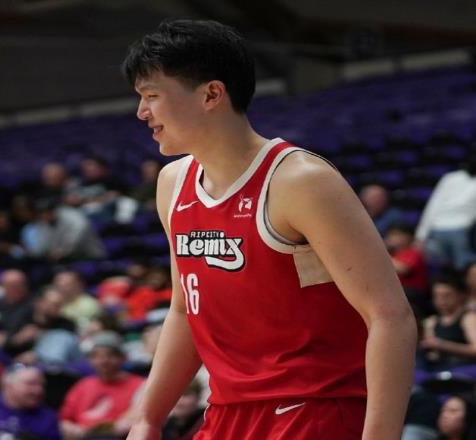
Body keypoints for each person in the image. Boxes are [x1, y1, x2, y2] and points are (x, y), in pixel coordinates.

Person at [122, 19, 416, 440]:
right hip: (226, 413)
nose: (141, 112)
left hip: (314, 409)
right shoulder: (173, 183)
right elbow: (185, 311)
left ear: (211, 94)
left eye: (152, 96)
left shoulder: (301, 181)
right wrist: (148, 419)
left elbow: (390, 316)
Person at [59, 331, 144, 439]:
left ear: (123, 358)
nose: (103, 361)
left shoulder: (140, 385)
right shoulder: (83, 385)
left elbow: (136, 420)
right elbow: (65, 419)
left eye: (110, 355)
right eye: (96, 356)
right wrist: (71, 429)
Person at [415, 148, 476, 271]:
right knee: (440, 271)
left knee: (464, 269)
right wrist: (420, 235)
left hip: (462, 231)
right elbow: (433, 205)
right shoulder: (450, 178)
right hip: (438, 230)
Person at [0, 365, 61, 440]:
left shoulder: (48, 418)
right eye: (31, 384)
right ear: (8, 385)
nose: (38, 391)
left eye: (42, 385)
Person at [419, 275, 476, 371]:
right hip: (440, 368)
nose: (441, 300)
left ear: (461, 295)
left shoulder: (468, 318)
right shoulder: (432, 321)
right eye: (436, 296)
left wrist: (443, 345)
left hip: (465, 369)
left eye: (447, 295)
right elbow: (433, 353)